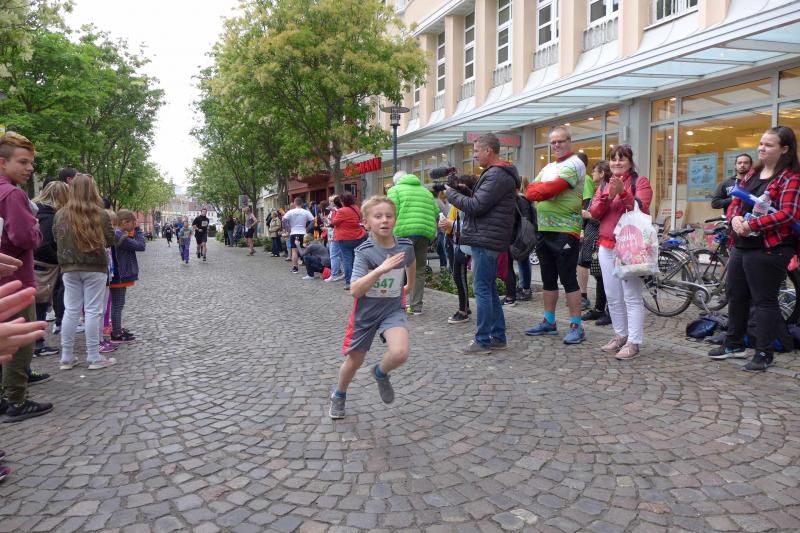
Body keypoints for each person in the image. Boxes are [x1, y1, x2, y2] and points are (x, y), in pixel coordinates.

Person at [709, 126, 800, 371]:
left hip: (770, 247)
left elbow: (788, 214)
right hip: (741, 244)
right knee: (736, 295)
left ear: (784, 149)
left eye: (768, 145)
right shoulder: (753, 173)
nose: (762, 148)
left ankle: (764, 352)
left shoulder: (791, 177)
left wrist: (752, 224)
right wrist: (735, 219)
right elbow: (736, 200)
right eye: (761, 143)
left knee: (764, 301)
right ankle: (734, 344)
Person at [329, 196, 415, 419]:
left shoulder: (405, 245)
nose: (384, 220)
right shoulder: (364, 251)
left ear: (395, 220)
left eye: (389, 216)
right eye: (378, 216)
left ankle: (380, 372)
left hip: (392, 309)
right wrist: (380, 270)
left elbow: (410, 260)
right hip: (365, 313)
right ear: (366, 222)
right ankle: (339, 394)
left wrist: (410, 284)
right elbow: (355, 290)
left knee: (400, 353)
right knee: (355, 361)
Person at [446, 133, 519, 355]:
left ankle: (483, 340)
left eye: (476, 151)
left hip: (486, 239)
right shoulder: (497, 174)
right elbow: (483, 202)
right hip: (489, 238)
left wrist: (452, 195)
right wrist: (465, 192)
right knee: (488, 289)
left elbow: (477, 206)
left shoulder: (496, 174)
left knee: (483, 290)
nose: (474, 155)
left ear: (489, 150)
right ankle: (498, 337)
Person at [0, 132, 53, 422]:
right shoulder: (12, 194)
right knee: (20, 341)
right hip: (16, 280)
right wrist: (35, 227)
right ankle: (16, 400)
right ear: (2, 162)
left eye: (31, 162)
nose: (29, 168)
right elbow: (25, 237)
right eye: (22, 162)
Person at [589, 145, 653, 360]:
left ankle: (633, 342)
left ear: (630, 161)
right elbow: (594, 213)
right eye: (613, 159)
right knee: (613, 296)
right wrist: (607, 196)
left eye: (621, 158)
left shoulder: (639, 182)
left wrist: (623, 193)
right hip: (606, 245)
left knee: (631, 297)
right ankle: (620, 335)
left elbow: (641, 208)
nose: (617, 162)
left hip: (629, 245)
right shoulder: (605, 184)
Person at [524, 127, 587, 345]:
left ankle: (576, 326)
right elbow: (530, 190)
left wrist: (542, 191)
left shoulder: (575, 164)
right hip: (545, 229)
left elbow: (550, 189)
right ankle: (549, 321)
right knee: (548, 278)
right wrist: (541, 191)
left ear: (570, 141)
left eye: (561, 141)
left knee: (568, 279)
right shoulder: (549, 167)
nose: (557, 145)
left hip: (565, 230)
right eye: (553, 142)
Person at [54, 174, 116, 371]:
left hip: (69, 267)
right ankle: (94, 356)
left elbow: (56, 238)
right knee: (93, 311)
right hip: (95, 267)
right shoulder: (101, 214)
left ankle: (66, 357)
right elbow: (110, 240)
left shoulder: (61, 214)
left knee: (71, 310)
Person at [387, 173, 438, 315]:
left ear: (396, 181)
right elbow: (436, 212)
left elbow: (391, 212)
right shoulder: (426, 191)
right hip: (424, 233)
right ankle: (416, 307)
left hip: (403, 232)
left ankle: (396, 304)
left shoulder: (395, 190)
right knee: (419, 269)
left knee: (397, 267)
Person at [32, 181, 69, 358]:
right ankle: (37, 344)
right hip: (43, 267)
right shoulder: (49, 217)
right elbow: (43, 245)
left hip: (36, 264)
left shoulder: (38, 211)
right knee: (40, 304)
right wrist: (58, 258)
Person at [440, 174, 477, 324]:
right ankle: (465, 308)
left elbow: (471, 226)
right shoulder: (462, 202)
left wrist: (452, 225)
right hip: (460, 243)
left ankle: (464, 311)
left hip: (467, 244)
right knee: (458, 276)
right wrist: (448, 224)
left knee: (475, 283)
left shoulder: (470, 202)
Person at [581, 161, 612, 325]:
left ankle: (608, 310)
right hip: (594, 237)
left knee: (603, 275)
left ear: (602, 173)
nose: (592, 173)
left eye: (594, 171)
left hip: (601, 237)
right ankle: (599, 308)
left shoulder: (607, 190)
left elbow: (604, 217)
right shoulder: (598, 189)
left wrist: (588, 215)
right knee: (598, 274)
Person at [110, 210, 145, 343]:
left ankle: (117, 329)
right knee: (117, 305)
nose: (134, 225)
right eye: (133, 223)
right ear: (125, 222)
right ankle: (116, 333)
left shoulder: (118, 234)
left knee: (118, 304)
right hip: (120, 274)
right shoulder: (120, 236)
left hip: (119, 274)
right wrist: (138, 230)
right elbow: (141, 246)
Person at [331, 192, 367, 290]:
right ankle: (358, 279)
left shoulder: (342, 211)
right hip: (358, 236)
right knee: (357, 259)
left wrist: (335, 212)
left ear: (343, 201)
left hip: (345, 238)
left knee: (347, 260)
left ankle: (349, 282)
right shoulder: (356, 208)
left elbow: (334, 222)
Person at [575, 152, 594, 311]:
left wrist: (582, 228)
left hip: (586, 226)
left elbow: (587, 203)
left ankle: (583, 296)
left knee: (582, 261)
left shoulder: (585, 179)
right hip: (578, 225)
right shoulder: (579, 179)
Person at [283, 198, 314, 272]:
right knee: (305, 250)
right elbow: (313, 221)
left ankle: (295, 268)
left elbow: (283, 220)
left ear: (294, 203)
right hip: (303, 233)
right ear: (302, 204)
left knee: (294, 251)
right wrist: (307, 229)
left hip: (293, 232)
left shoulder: (290, 212)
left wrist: (288, 229)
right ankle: (309, 269)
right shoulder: (306, 212)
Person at [325, 195, 345, 282]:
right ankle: (344, 273)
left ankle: (334, 274)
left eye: (332, 201)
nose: (330, 203)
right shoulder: (334, 211)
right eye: (329, 201)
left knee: (334, 255)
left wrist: (328, 223)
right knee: (341, 255)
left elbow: (334, 223)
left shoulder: (337, 210)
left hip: (335, 235)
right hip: (334, 234)